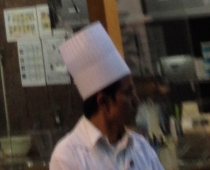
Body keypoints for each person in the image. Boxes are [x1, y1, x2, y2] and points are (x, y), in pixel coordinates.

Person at [50, 22, 163, 170]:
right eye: (128, 93)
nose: (136, 101)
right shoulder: (68, 155)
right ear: (103, 101)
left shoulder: (141, 148)